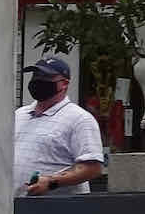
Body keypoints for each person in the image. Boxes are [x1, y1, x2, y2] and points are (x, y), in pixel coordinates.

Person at [13, 56, 106, 195]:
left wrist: (51, 182)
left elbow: (93, 167)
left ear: (64, 83)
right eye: (35, 75)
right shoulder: (19, 115)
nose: (38, 80)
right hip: (16, 206)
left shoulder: (80, 119)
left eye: (45, 76)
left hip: (58, 209)